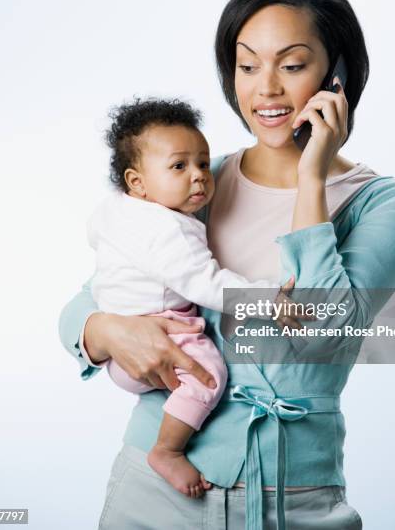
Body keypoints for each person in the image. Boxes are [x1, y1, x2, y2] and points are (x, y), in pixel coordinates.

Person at [59, 0, 395, 530]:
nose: (266, 89)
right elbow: (84, 306)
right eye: (248, 65)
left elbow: (322, 329)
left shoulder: (387, 205)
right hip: (153, 489)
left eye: (293, 64)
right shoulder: (196, 181)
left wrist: (311, 179)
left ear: (338, 74)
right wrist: (108, 331)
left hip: (290, 495)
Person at [87, 96, 295, 499]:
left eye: (202, 162)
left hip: (122, 340)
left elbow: (94, 237)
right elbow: (207, 284)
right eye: (179, 166)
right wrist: (268, 300)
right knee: (209, 376)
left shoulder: (115, 210)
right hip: (163, 335)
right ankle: (167, 450)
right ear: (137, 182)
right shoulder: (168, 229)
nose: (199, 176)